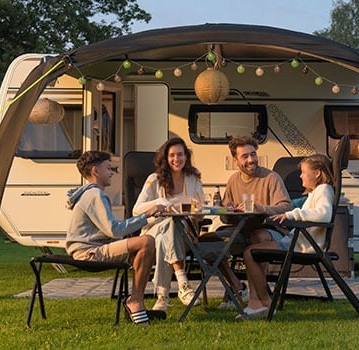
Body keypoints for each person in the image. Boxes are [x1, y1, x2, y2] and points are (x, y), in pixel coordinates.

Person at [65, 151, 166, 326]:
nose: (112, 172)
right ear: (95, 170)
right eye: (108, 168)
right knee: (147, 242)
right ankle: (135, 302)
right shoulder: (95, 195)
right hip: (88, 252)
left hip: (91, 248)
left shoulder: (90, 193)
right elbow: (114, 230)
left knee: (144, 247)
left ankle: (136, 302)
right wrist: (146, 215)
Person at [239, 153, 334, 320]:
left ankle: (266, 304)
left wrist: (292, 215)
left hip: (301, 246)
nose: (300, 176)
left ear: (317, 173)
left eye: (304, 172)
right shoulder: (315, 193)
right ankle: (257, 303)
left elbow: (324, 215)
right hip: (295, 242)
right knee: (254, 246)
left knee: (249, 253)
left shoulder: (324, 189)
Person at [213, 135, 293, 309]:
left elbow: (287, 208)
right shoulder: (233, 180)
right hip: (241, 230)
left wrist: (261, 208)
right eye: (245, 156)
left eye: (253, 154)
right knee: (208, 241)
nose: (251, 160)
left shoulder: (271, 178)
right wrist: (229, 210)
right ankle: (237, 287)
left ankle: (257, 297)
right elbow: (225, 217)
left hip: (272, 232)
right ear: (235, 160)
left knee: (258, 237)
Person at [133, 137, 203, 311]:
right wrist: (161, 202)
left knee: (168, 232)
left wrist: (196, 208)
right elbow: (136, 210)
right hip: (151, 235)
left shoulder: (193, 178)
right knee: (168, 227)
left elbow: (201, 211)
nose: (176, 159)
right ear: (165, 158)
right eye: (172, 155)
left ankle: (163, 298)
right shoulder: (154, 180)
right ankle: (183, 283)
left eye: (180, 154)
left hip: (185, 234)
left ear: (186, 157)